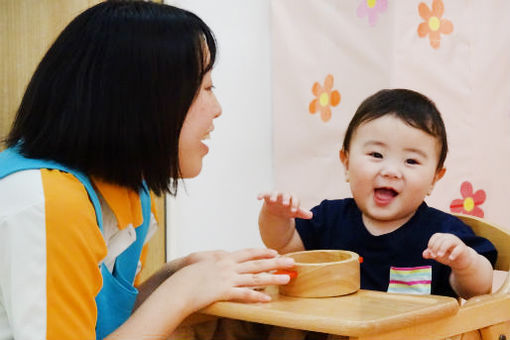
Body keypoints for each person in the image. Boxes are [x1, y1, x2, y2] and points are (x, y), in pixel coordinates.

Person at [0, 1, 296, 339]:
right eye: (206, 88)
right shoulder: (46, 203)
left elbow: (103, 324)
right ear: (142, 100)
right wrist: (179, 293)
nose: (217, 109)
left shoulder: (132, 195)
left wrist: (169, 278)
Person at [258, 89, 497, 299]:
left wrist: (464, 263)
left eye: (411, 161)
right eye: (376, 155)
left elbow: (477, 290)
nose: (391, 171)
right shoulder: (330, 218)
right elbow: (285, 245)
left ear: (434, 179)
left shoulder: (444, 234)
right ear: (346, 162)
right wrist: (275, 216)